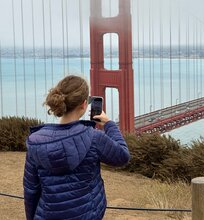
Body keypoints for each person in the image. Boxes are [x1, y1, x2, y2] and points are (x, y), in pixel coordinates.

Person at [23, 75, 130, 220]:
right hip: (87, 215)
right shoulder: (94, 137)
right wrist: (109, 124)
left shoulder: (36, 142)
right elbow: (123, 156)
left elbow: (31, 191)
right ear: (84, 104)